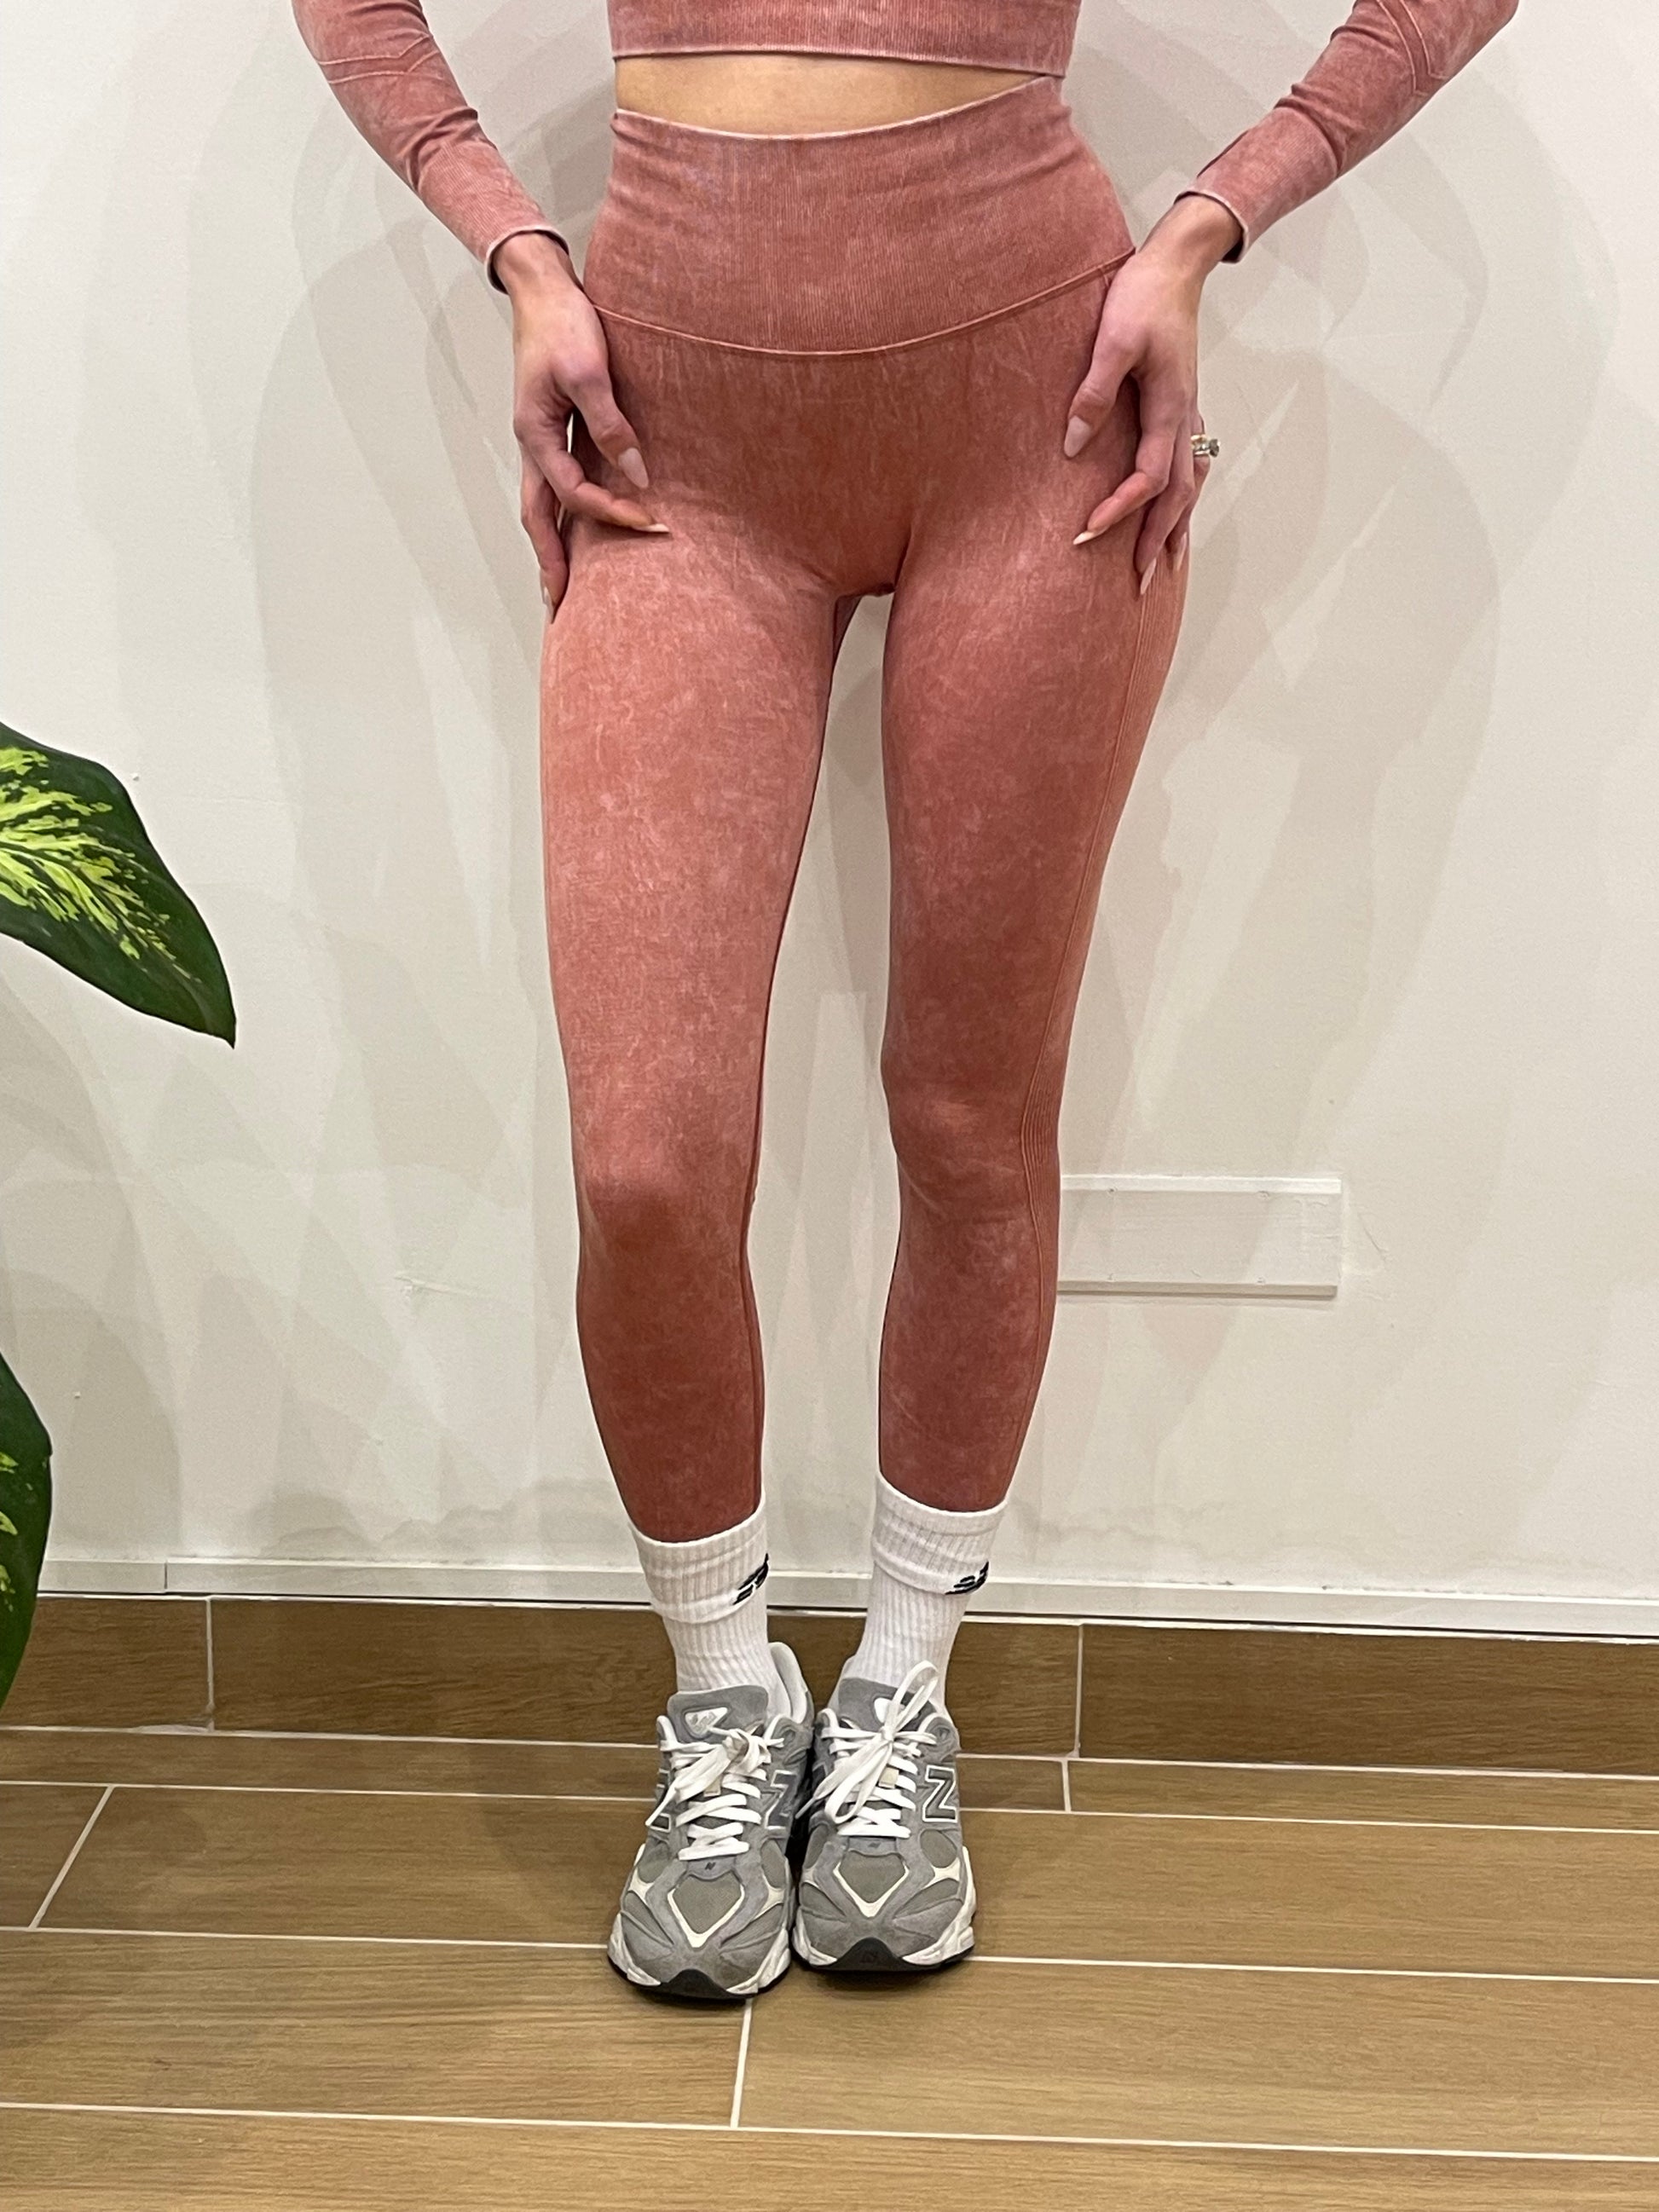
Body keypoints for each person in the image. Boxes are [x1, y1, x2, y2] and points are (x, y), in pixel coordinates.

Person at [292, 0, 1519, 2000]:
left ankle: (899, 1694)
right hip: (670, 441)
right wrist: (514, 248)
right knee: (644, 1160)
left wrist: (1209, 220)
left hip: (1037, 418)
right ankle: (724, 1698)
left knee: (967, 1111)